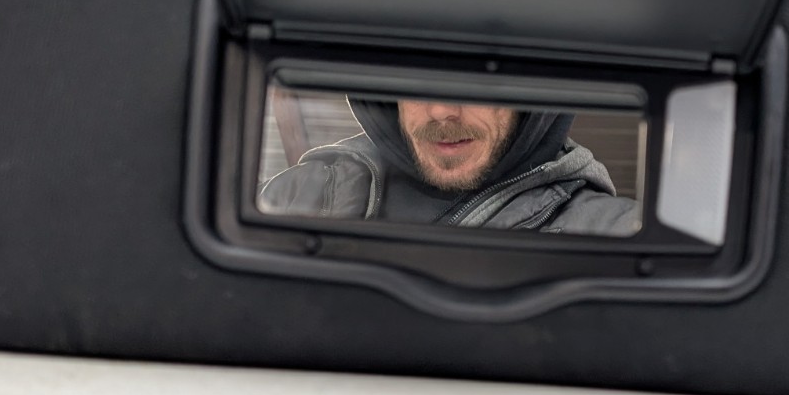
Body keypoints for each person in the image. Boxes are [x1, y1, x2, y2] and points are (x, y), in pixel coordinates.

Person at [259, 97, 639, 235]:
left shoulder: (617, 234)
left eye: (474, 83)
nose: (442, 110)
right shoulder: (299, 196)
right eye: (417, 80)